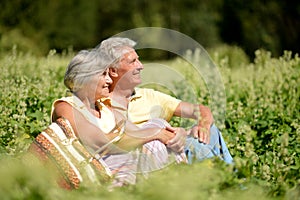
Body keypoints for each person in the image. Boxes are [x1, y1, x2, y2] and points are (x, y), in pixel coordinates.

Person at [51, 48, 186, 187]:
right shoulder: (66, 106)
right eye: (103, 75)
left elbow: (135, 131)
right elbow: (98, 142)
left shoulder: (106, 107)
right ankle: (166, 186)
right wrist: (155, 134)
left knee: (157, 124)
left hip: (122, 165)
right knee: (152, 136)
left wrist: (175, 133)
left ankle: (168, 185)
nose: (110, 80)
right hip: (93, 172)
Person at [96, 37, 233, 165]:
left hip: (171, 151)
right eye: (133, 62)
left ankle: (228, 177)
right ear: (113, 71)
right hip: (141, 160)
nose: (141, 66)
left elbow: (200, 110)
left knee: (211, 131)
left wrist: (203, 126)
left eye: (139, 60)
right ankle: (224, 178)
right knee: (191, 145)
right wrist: (158, 133)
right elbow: (104, 142)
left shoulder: (148, 96)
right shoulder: (99, 103)